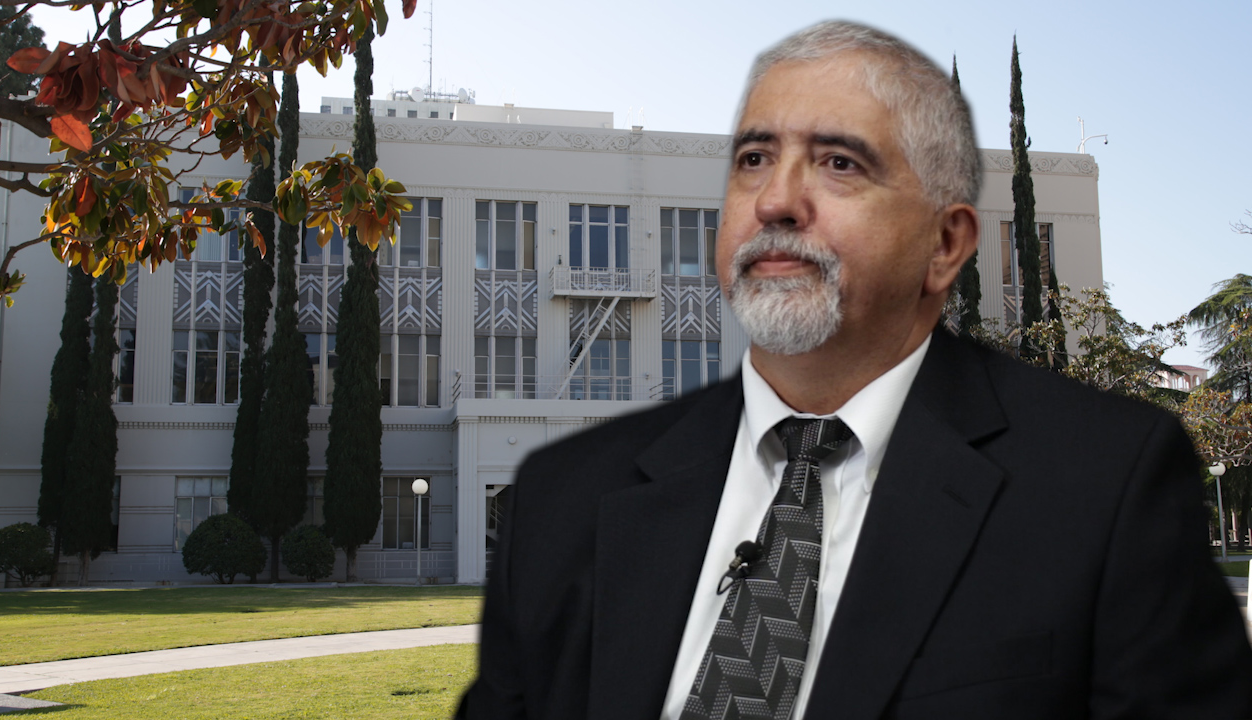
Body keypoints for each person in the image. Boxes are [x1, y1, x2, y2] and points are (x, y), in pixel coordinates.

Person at [457, 20, 1252, 720]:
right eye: (754, 159)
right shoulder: (564, 500)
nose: (776, 201)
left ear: (946, 243)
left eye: (839, 163)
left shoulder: (1104, 486)